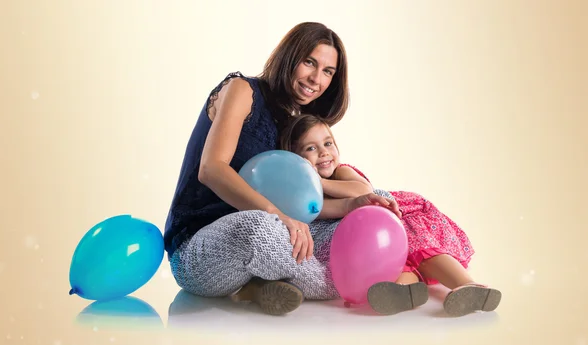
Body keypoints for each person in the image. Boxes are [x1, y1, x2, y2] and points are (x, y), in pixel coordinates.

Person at [164, 22, 402, 316]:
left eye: (328, 72)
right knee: (259, 227)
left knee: (373, 202)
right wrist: (277, 215)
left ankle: (266, 286)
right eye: (309, 62)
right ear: (290, 57)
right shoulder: (242, 89)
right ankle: (361, 285)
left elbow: (303, 208)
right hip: (199, 250)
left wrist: (353, 204)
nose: (316, 78)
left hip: (271, 236)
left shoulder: (296, 120)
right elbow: (211, 170)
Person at [280, 113, 503, 317]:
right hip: (379, 235)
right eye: (311, 148)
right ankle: (404, 291)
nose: (324, 152)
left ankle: (468, 285)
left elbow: (364, 191)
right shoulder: (305, 198)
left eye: (328, 143)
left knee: (419, 249)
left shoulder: (341, 172)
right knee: (398, 260)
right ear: (296, 159)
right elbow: (317, 213)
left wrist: (319, 182)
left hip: (401, 213)